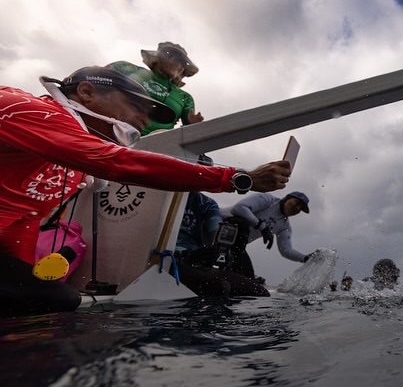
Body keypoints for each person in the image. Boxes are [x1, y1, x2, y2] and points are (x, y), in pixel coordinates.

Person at [0, 66, 292, 315]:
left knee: (53, 299)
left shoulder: (72, 164)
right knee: (56, 300)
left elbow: (22, 219)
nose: (146, 120)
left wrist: (28, 276)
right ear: (87, 92)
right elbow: (116, 163)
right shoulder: (31, 110)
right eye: (137, 106)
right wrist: (237, 178)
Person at [108, 42, 203, 135]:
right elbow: (97, 77)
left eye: (182, 63)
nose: (179, 65)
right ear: (159, 57)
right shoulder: (127, 69)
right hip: (114, 132)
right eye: (173, 58)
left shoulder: (185, 98)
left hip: (155, 144)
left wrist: (192, 125)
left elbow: (190, 132)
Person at [224, 191, 317, 278]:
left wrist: (306, 258)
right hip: (218, 225)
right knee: (242, 223)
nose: (297, 208)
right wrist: (262, 227)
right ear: (287, 198)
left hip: (233, 246)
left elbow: (286, 250)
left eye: (300, 208)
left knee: (249, 278)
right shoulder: (267, 200)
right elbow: (238, 208)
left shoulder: (284, 227)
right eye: (297, 203)